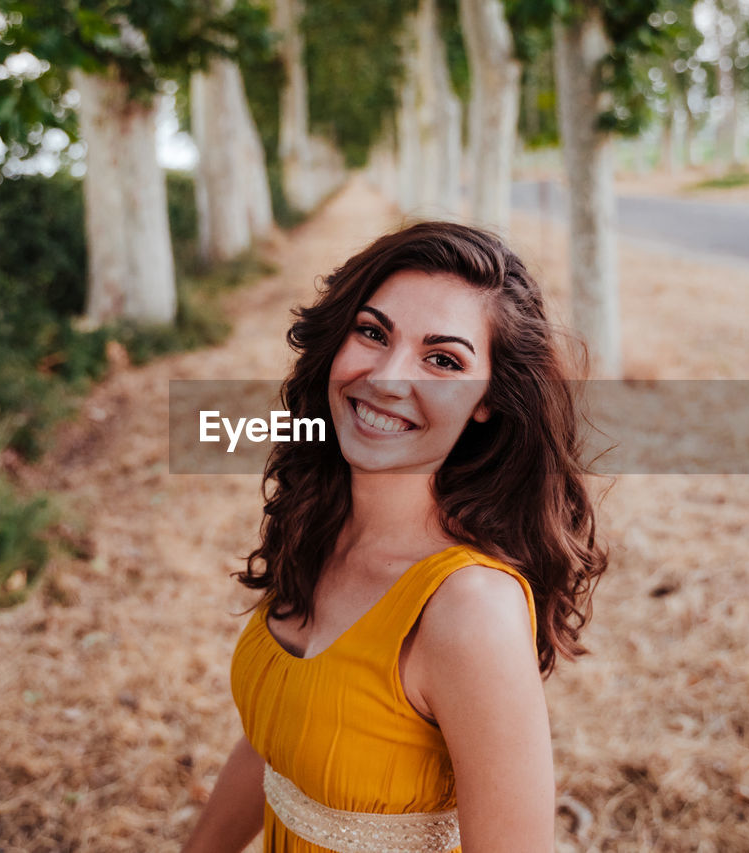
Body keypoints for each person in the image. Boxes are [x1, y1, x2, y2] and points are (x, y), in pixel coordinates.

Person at [181, 221, 607, 853]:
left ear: (488, 399)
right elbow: (275, 745)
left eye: (443, 360)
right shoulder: (319, 524)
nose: (386, 377)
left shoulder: (469, 609)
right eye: (373, 332)